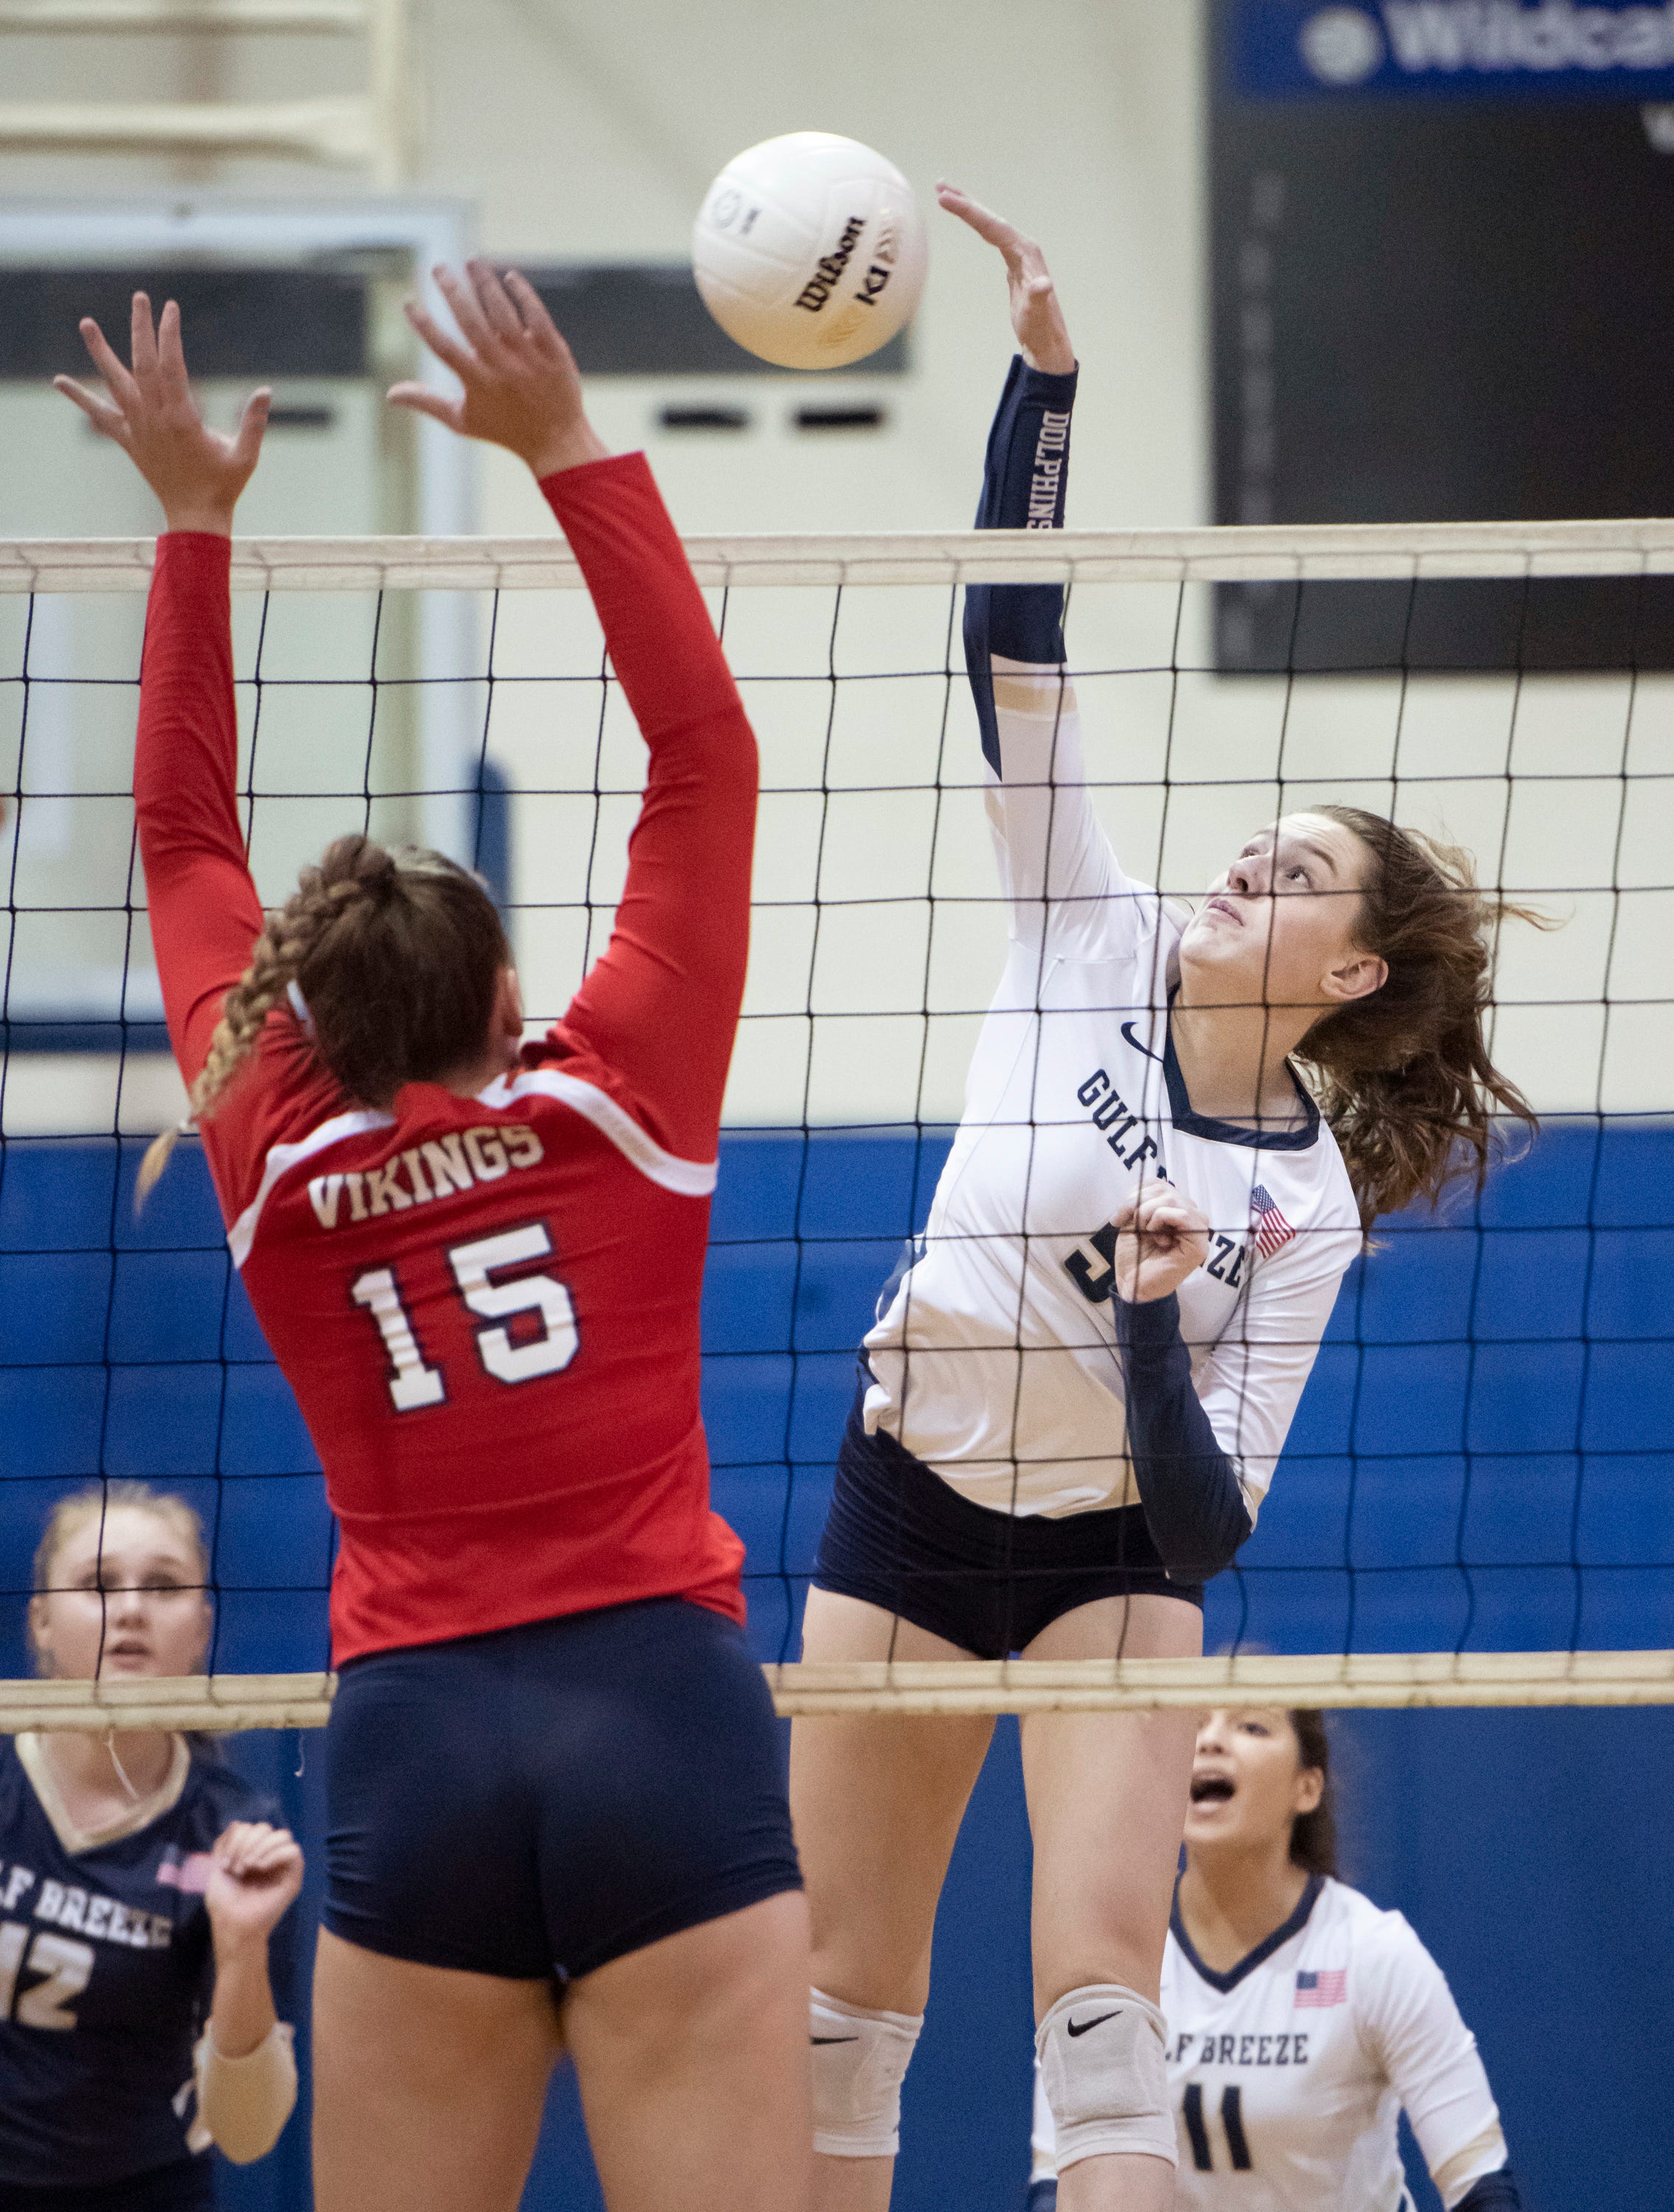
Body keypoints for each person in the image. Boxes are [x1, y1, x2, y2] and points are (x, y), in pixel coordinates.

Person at [789, 189, 1538, 2212]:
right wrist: (1043, 380)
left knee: (1097, 2012)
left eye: (1294, 875)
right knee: (840, 2008)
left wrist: (1142, 1314)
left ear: (1352, 973)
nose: (1243, 870)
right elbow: (1002, 632)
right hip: (911, 1495)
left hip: (1115, 1559)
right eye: (1256, 843)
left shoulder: (1305, 1215)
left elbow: (1207, 1519)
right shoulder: (1080, 927)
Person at [54, 262, 809, 2212]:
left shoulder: (273, 1157)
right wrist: (568, 451)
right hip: (663, 1713)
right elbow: (705, 764)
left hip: (418, 1745)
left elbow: (181, 845)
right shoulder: (615, 1105)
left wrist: (193, 527)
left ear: (300, 1021)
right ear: (505, 1006)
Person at [1028, 1708, 1522, 2211]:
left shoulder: (1371, 1952)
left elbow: (1480, 2185)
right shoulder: (1112, 1957)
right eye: (1194, 1724)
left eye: (1251, 1727)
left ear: (1306, 1789)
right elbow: (1056, 2187)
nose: (1212, 1741)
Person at [1, 1481, 302, 2211]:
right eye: (98, 1585)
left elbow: (247, 2135)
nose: (130, 1609)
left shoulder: (234, 1837)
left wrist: (240, 1949)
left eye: (162, 1586)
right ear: (39, 1621)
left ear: (201, 1627)